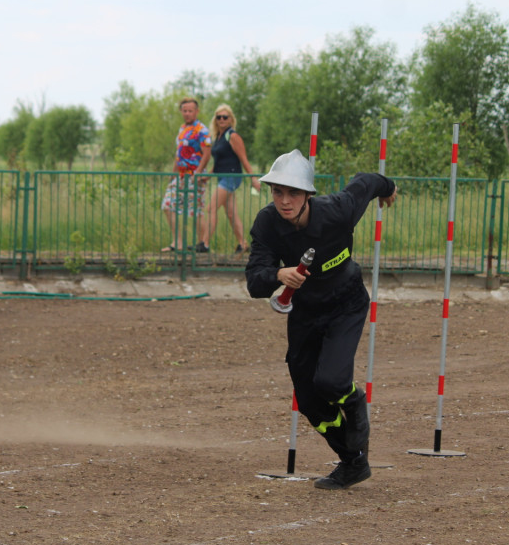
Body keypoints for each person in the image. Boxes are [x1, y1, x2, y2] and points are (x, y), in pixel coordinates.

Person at [245, 149, 397, 490]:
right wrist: (278, 274)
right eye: (277, 192)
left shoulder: (338, 212)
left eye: (293, 193)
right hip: (305, 312)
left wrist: (388, 188)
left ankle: (354, 400)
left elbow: (367, 182)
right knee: (309, 399)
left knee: (330, 382)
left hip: (346, 304)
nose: (284, 200)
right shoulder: (267, 223)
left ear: (308, 195)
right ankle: (353, 462)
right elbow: (254, 280)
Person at [205, 104, 260, 253]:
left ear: (230, 120)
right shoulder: (218, 137)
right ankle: (243, 244)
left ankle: (204, 244)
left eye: (225, 117)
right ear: (215, 120)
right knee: (231, 213)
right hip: (222, 177)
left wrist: (253, 178)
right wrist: (207, 177)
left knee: (211, 208)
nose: (222, 120)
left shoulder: (233, 136)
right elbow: (217, 163)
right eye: (219, 117)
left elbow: (244, 159)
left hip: (232, 177)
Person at [161, 97, 211, 252]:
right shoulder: (182, 129)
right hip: (181, 175)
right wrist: (173, 173)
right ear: (181, 111)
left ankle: (203, 245)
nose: (187, 113)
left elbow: (207, 153)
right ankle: (178, 242)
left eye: (190, 110)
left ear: (197, 111)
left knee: (195, 210)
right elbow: (179, 153)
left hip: (194, 176)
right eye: (185, 110)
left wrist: (197, 173)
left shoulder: (201, 130)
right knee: (168, 205)